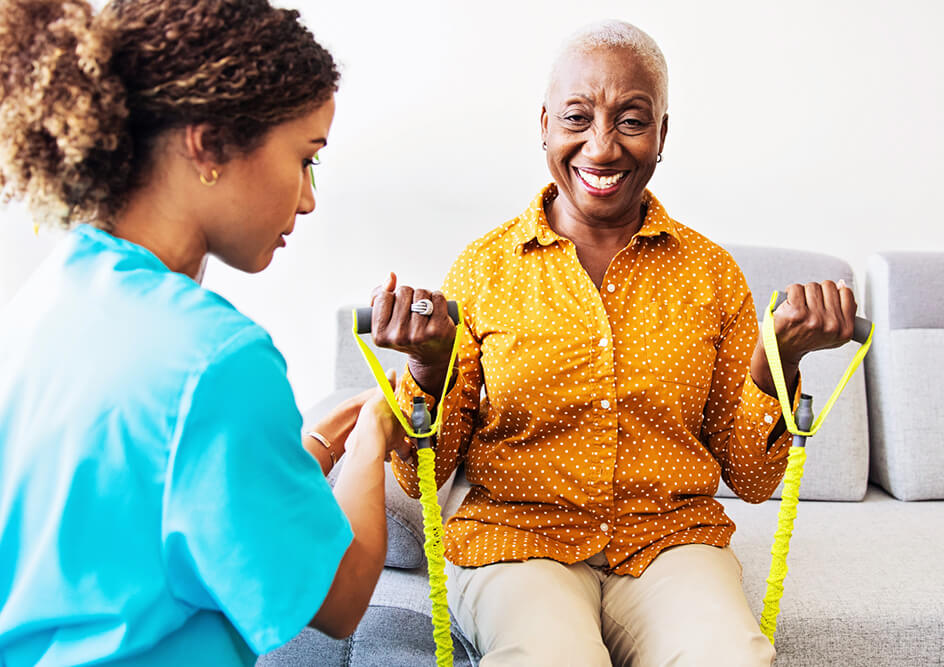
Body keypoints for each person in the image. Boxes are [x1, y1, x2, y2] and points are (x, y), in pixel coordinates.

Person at [368, 19, 859, 666]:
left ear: (661, 134)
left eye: (631, 120)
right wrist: (427, 369)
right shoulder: (484, 269)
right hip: (517, 539)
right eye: (577, 117)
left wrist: (781, 360)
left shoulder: (711, 274)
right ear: (543, 124)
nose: (601, 148)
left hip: (668, 542)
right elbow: (420, 473)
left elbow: (752, 476)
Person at [0, 1, 408, 665]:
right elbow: (340, 597)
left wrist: (309, 443)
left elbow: (167, 516)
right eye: (307, 158)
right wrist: (371, 439)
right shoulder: (219, 358)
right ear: (209, 142)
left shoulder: (43, 300)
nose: (307, 198)